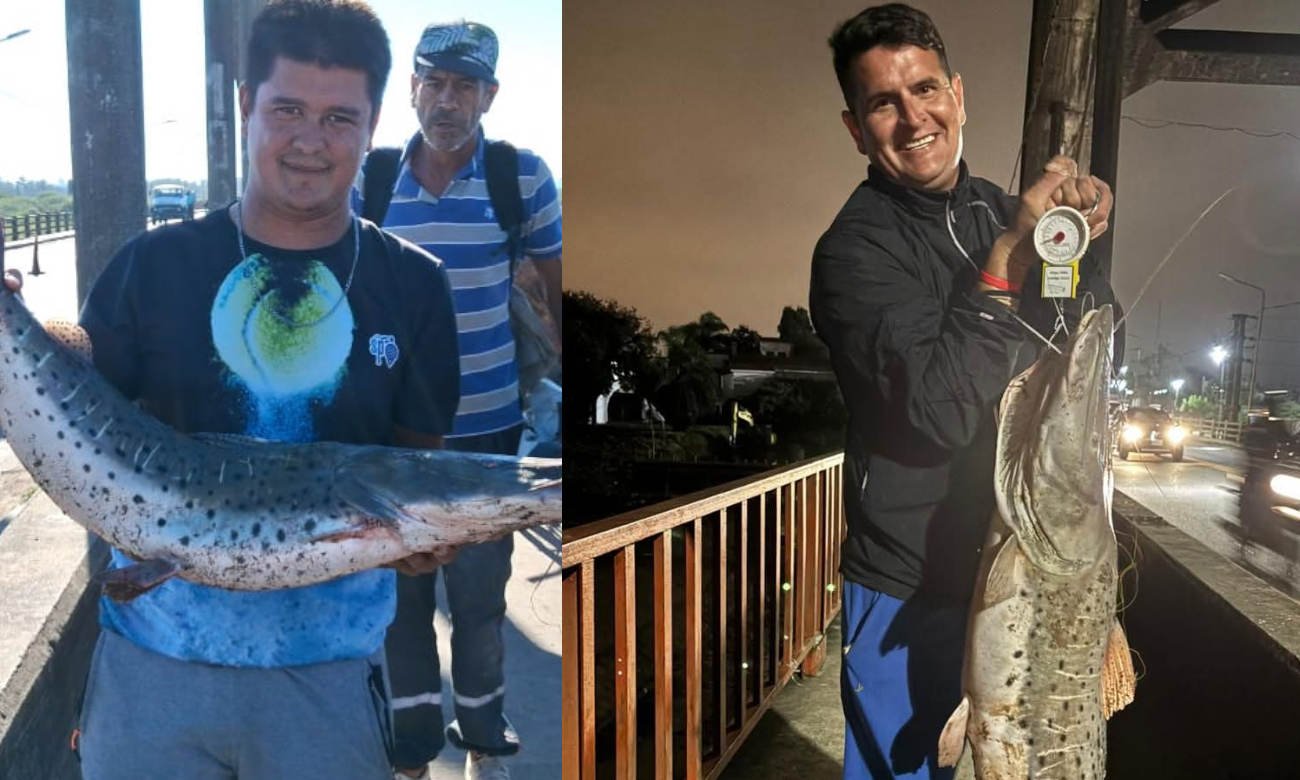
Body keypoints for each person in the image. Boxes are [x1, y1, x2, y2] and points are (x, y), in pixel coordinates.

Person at [10, 2, 461, 778]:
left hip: (329, 676)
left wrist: (422, 540)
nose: (311, 141)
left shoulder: (416, 287)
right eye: (287, 108)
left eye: (338, 117)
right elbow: (84, 374)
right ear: (246, 103)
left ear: (374, 121)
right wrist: (20, 326)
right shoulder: (155, 264)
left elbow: (411, 470)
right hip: (151, 668)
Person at [809, 5, 1122, 779]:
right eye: (884, 102)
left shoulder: (995, 205)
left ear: (957, 93)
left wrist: (1072, 245)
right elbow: (940, 410)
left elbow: (1067, 342)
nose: (913, 117)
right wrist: (1009, 260)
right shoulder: (854, 252)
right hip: (915, 587)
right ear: (856, 127)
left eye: (925, 89)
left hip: (1032, 572)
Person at [356, 20, 562, 780]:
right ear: (410, 87)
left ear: (490, 95)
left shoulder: (521, 178)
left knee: (478, 601)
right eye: (434, 82)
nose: (448, 100)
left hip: (486, 435)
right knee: (401, 606)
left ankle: (483, 738)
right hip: (394, 441)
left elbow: (555, 289)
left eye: (465, 85)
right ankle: (411, 751)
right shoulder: (371, 181)